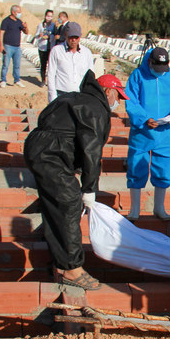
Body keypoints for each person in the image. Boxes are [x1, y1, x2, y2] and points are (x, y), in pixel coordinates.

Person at [24, 71, 129, 290]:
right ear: (108, 91)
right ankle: (72, 268)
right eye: (117, 96)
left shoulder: (74, 97)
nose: (117, 102)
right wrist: (89, 189)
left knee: (55, 203)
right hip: (50, 155)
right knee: (70, 202)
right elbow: (92, 151)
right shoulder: (96, 109)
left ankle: (60, 255)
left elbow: (47, 118)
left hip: (39, 146)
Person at [124, 47, 170, 221]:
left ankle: (159, 208)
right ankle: (134, 209)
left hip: (164, 131)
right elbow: (131, 100)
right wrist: (145, 118)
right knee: (137, 166)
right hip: (142, 132)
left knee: (163, 167)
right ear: (149, 62)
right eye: (157, 68)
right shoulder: (137, 76)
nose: (160, 73)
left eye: (163, 69)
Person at [47, 22, 94, 103]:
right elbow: (51, 75)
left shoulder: (87, 53)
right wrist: (53, 97)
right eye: (71, 37)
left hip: (80, 95)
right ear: (66, 35)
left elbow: (91, 77)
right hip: (61, 95)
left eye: (76, 37)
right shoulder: (57, 51)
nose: (74, 40)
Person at [0, 4, 28, 88]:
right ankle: (3, 80)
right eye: (18, 12)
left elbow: (26, 32)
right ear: (13, 12)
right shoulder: (6, 21)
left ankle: (17, 80)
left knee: (17, 65)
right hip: (8, 46)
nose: (20, 14)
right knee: (5, 64)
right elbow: (1, 33)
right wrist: (1, 45)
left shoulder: (19, 22)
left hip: (17, 47)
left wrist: (26, 27)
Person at [35, 9, 56, 85]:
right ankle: (43, 80)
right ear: (45, 16)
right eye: (48, 16)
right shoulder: (41, 25)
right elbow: (36, 36)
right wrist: (40, 36)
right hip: (42, 48)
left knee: (51, 66)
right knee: (43, 65)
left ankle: (50, 81)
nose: (49, 18)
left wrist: (51, 36)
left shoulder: (54, 26)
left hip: (50, 47)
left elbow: (55, 35)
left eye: (51, 16)